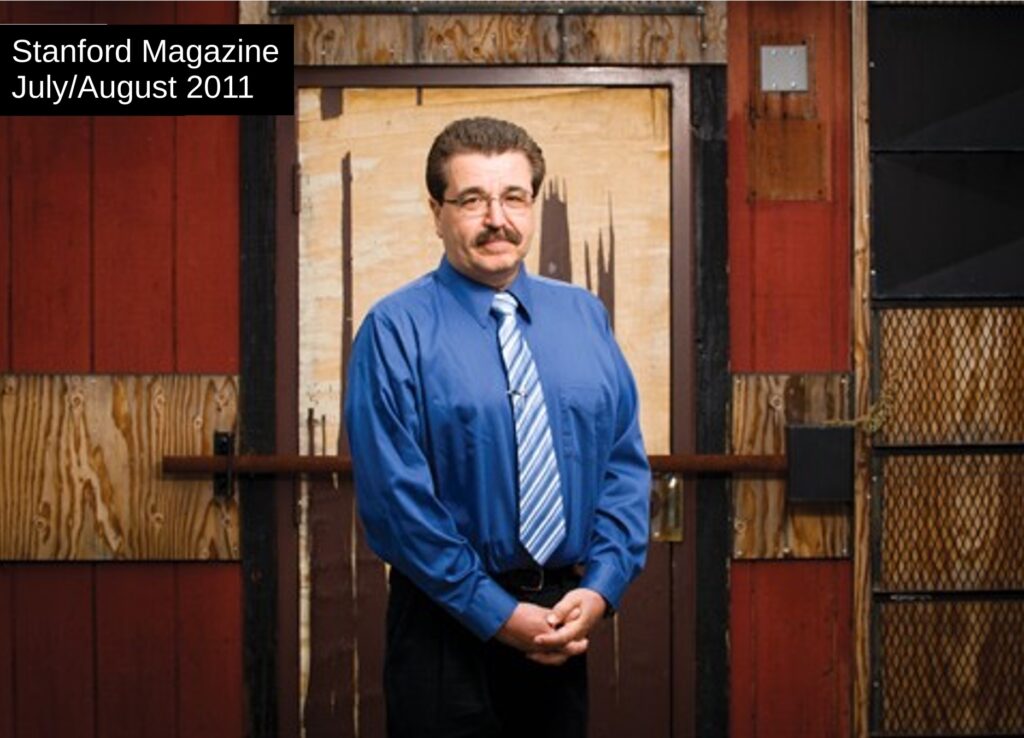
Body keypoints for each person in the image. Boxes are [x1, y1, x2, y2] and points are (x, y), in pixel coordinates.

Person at [344, 116, 651, 738]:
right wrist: (497, 613)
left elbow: (623, 465)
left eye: (514, 197)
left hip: (563, 618)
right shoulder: (394, 329)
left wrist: (602, 588)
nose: (497, 218)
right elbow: (395, 503)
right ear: (436, 210)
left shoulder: (583, 316)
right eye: (472, 199)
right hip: (443, 626)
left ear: (532, 202)